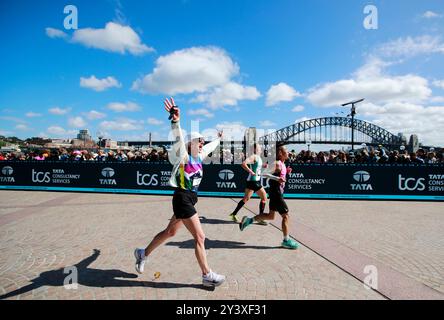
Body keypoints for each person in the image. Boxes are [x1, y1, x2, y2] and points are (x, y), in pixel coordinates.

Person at [134, 97, 226, 287]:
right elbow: (177, 138)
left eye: (202, 141)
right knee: (200, 237)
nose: (202, 143)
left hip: (190, 200)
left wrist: (218, 139)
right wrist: (175, 121)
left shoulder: (199, 156)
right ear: (190, 143)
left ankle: (143, 253)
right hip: (182, 198)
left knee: (169, 233)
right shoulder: (183, 155)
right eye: (198, 141)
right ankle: (206, 275)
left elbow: (211, 146)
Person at [239, 144, 299, 250]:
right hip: (276, 193)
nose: (288, 152)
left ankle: (248, 220)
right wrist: (277, 178)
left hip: (276, 192)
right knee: (286, 216)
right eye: (286, 150)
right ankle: (286, 240)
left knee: (271, 216)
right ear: (280, 153)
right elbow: (264, 173)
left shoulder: (283, 164)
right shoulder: (277, 163)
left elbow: (279, 176)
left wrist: (285, 173)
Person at [229, 143, 268, 225]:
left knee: (246, 198)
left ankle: (233, 214)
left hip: (252, 181)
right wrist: (251, 171)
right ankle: (260, 218)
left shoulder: (258, 157)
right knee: (264, 197)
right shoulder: (253, 156)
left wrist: (263, 166)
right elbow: (243, 164)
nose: (260, 148)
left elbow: (256, 167)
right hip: (253, 181)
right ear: (254, 149)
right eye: (259, 147)